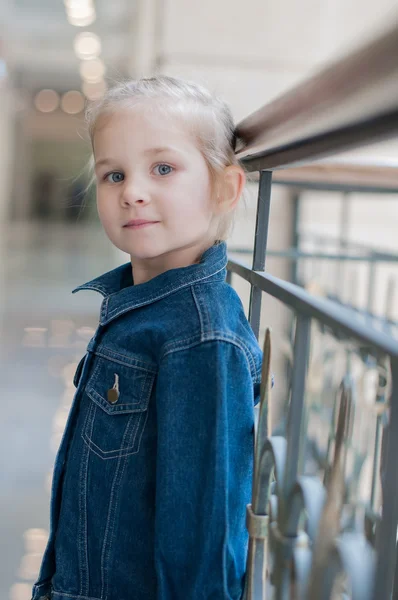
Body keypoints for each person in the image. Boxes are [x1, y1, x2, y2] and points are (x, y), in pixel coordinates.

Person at [31, 75, 263, 600]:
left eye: (163, 168)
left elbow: (203, 540)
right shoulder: (143, 307)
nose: (132, 191)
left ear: (224, 188)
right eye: (114, 174)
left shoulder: (202, 339)